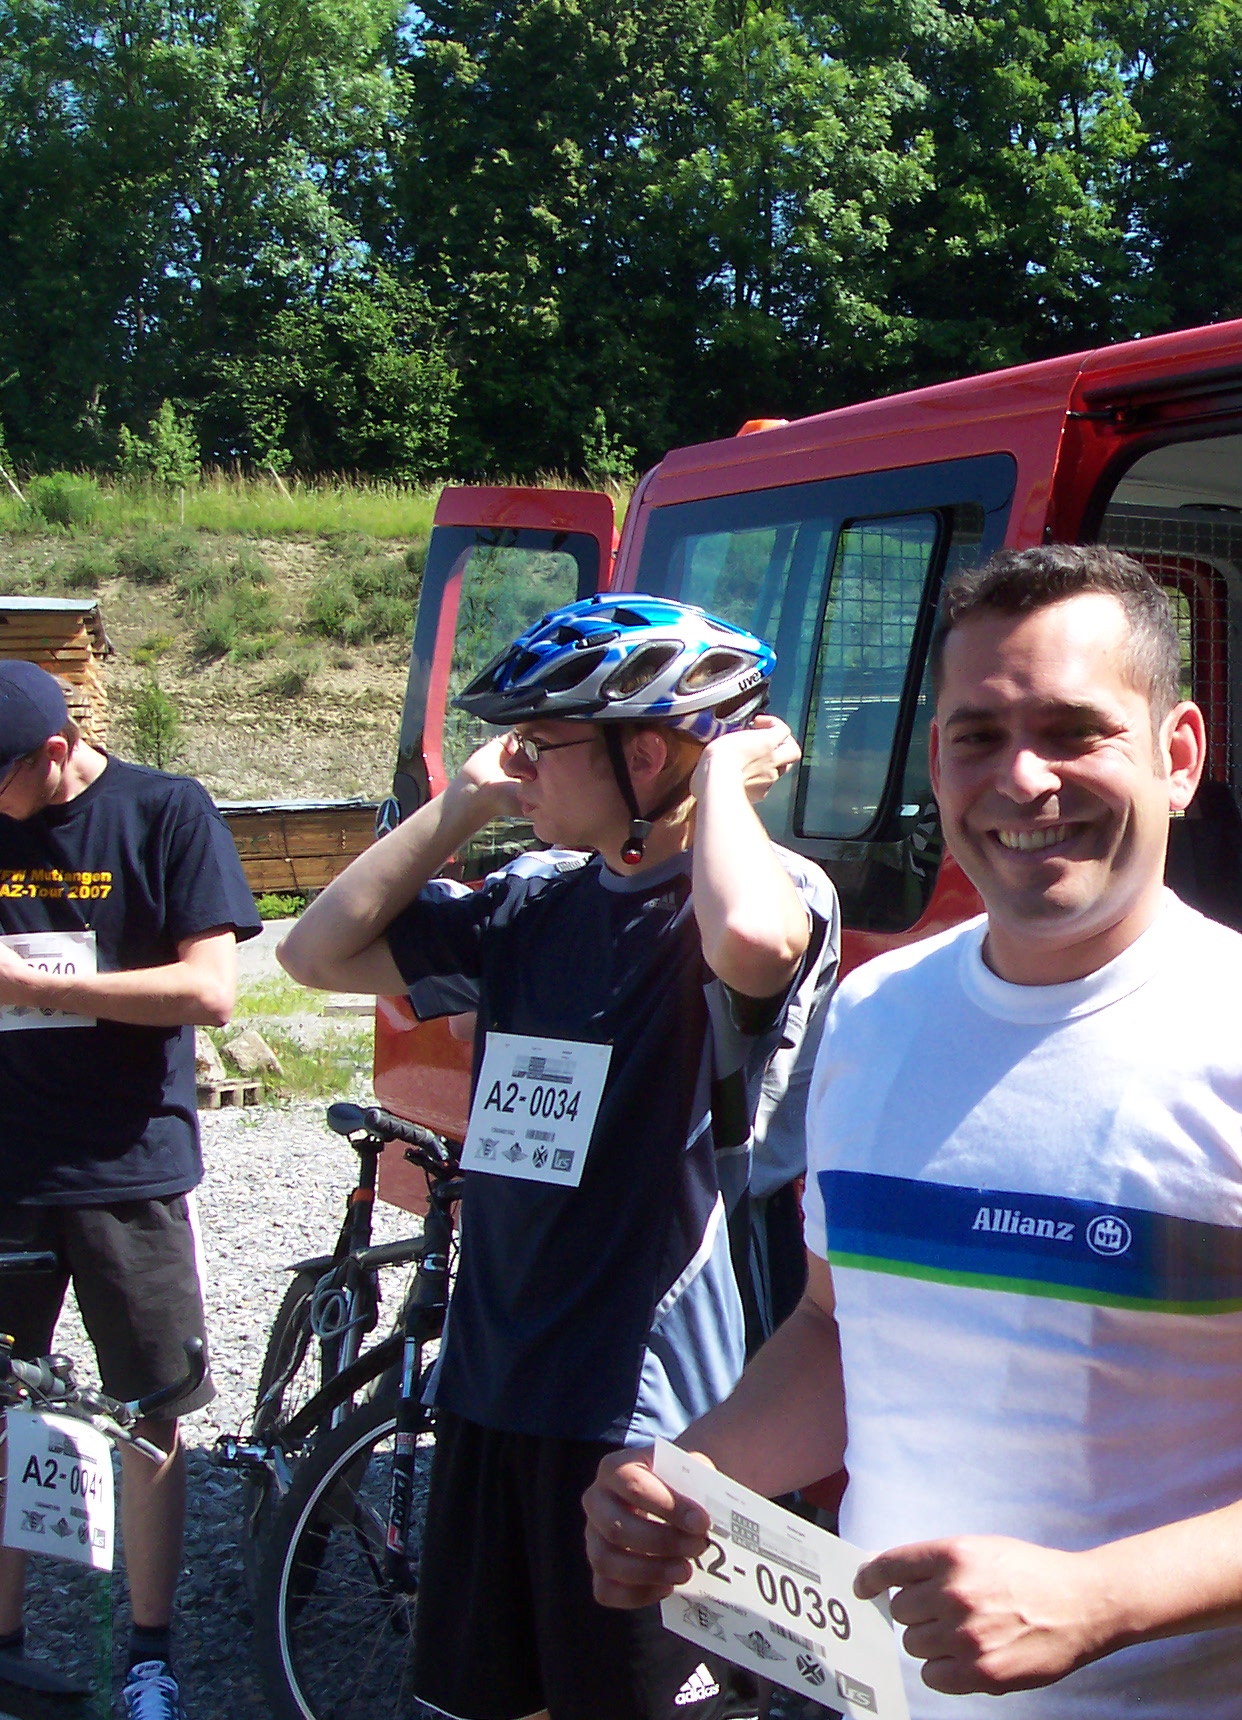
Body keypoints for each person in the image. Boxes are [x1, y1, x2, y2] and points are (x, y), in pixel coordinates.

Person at [583, 546, 1242, 1717]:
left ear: (1177, 756)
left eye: (1074, 731)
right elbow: (838, 1330)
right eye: (979, 736)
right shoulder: (871, 1018)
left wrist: (1099, 1599)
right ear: (936, 762)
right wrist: (694, 1476)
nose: (1021, 778)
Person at [280, 595, 834, 1720]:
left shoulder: (759, 894)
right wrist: (461, 804)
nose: (518, 766)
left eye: (542, 744)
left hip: (639, 1404)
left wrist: (725, 780)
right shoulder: (532, 898)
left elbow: (753, 943)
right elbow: (313, 952)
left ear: (646, 756)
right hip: (493, 1377)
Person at [0, 660, 257, 1720]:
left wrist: (24, 981)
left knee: (151, 1412)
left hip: (126, 1167)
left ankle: (150, 1654)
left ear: (57, 751)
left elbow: (209, 989)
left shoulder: (165, 812)